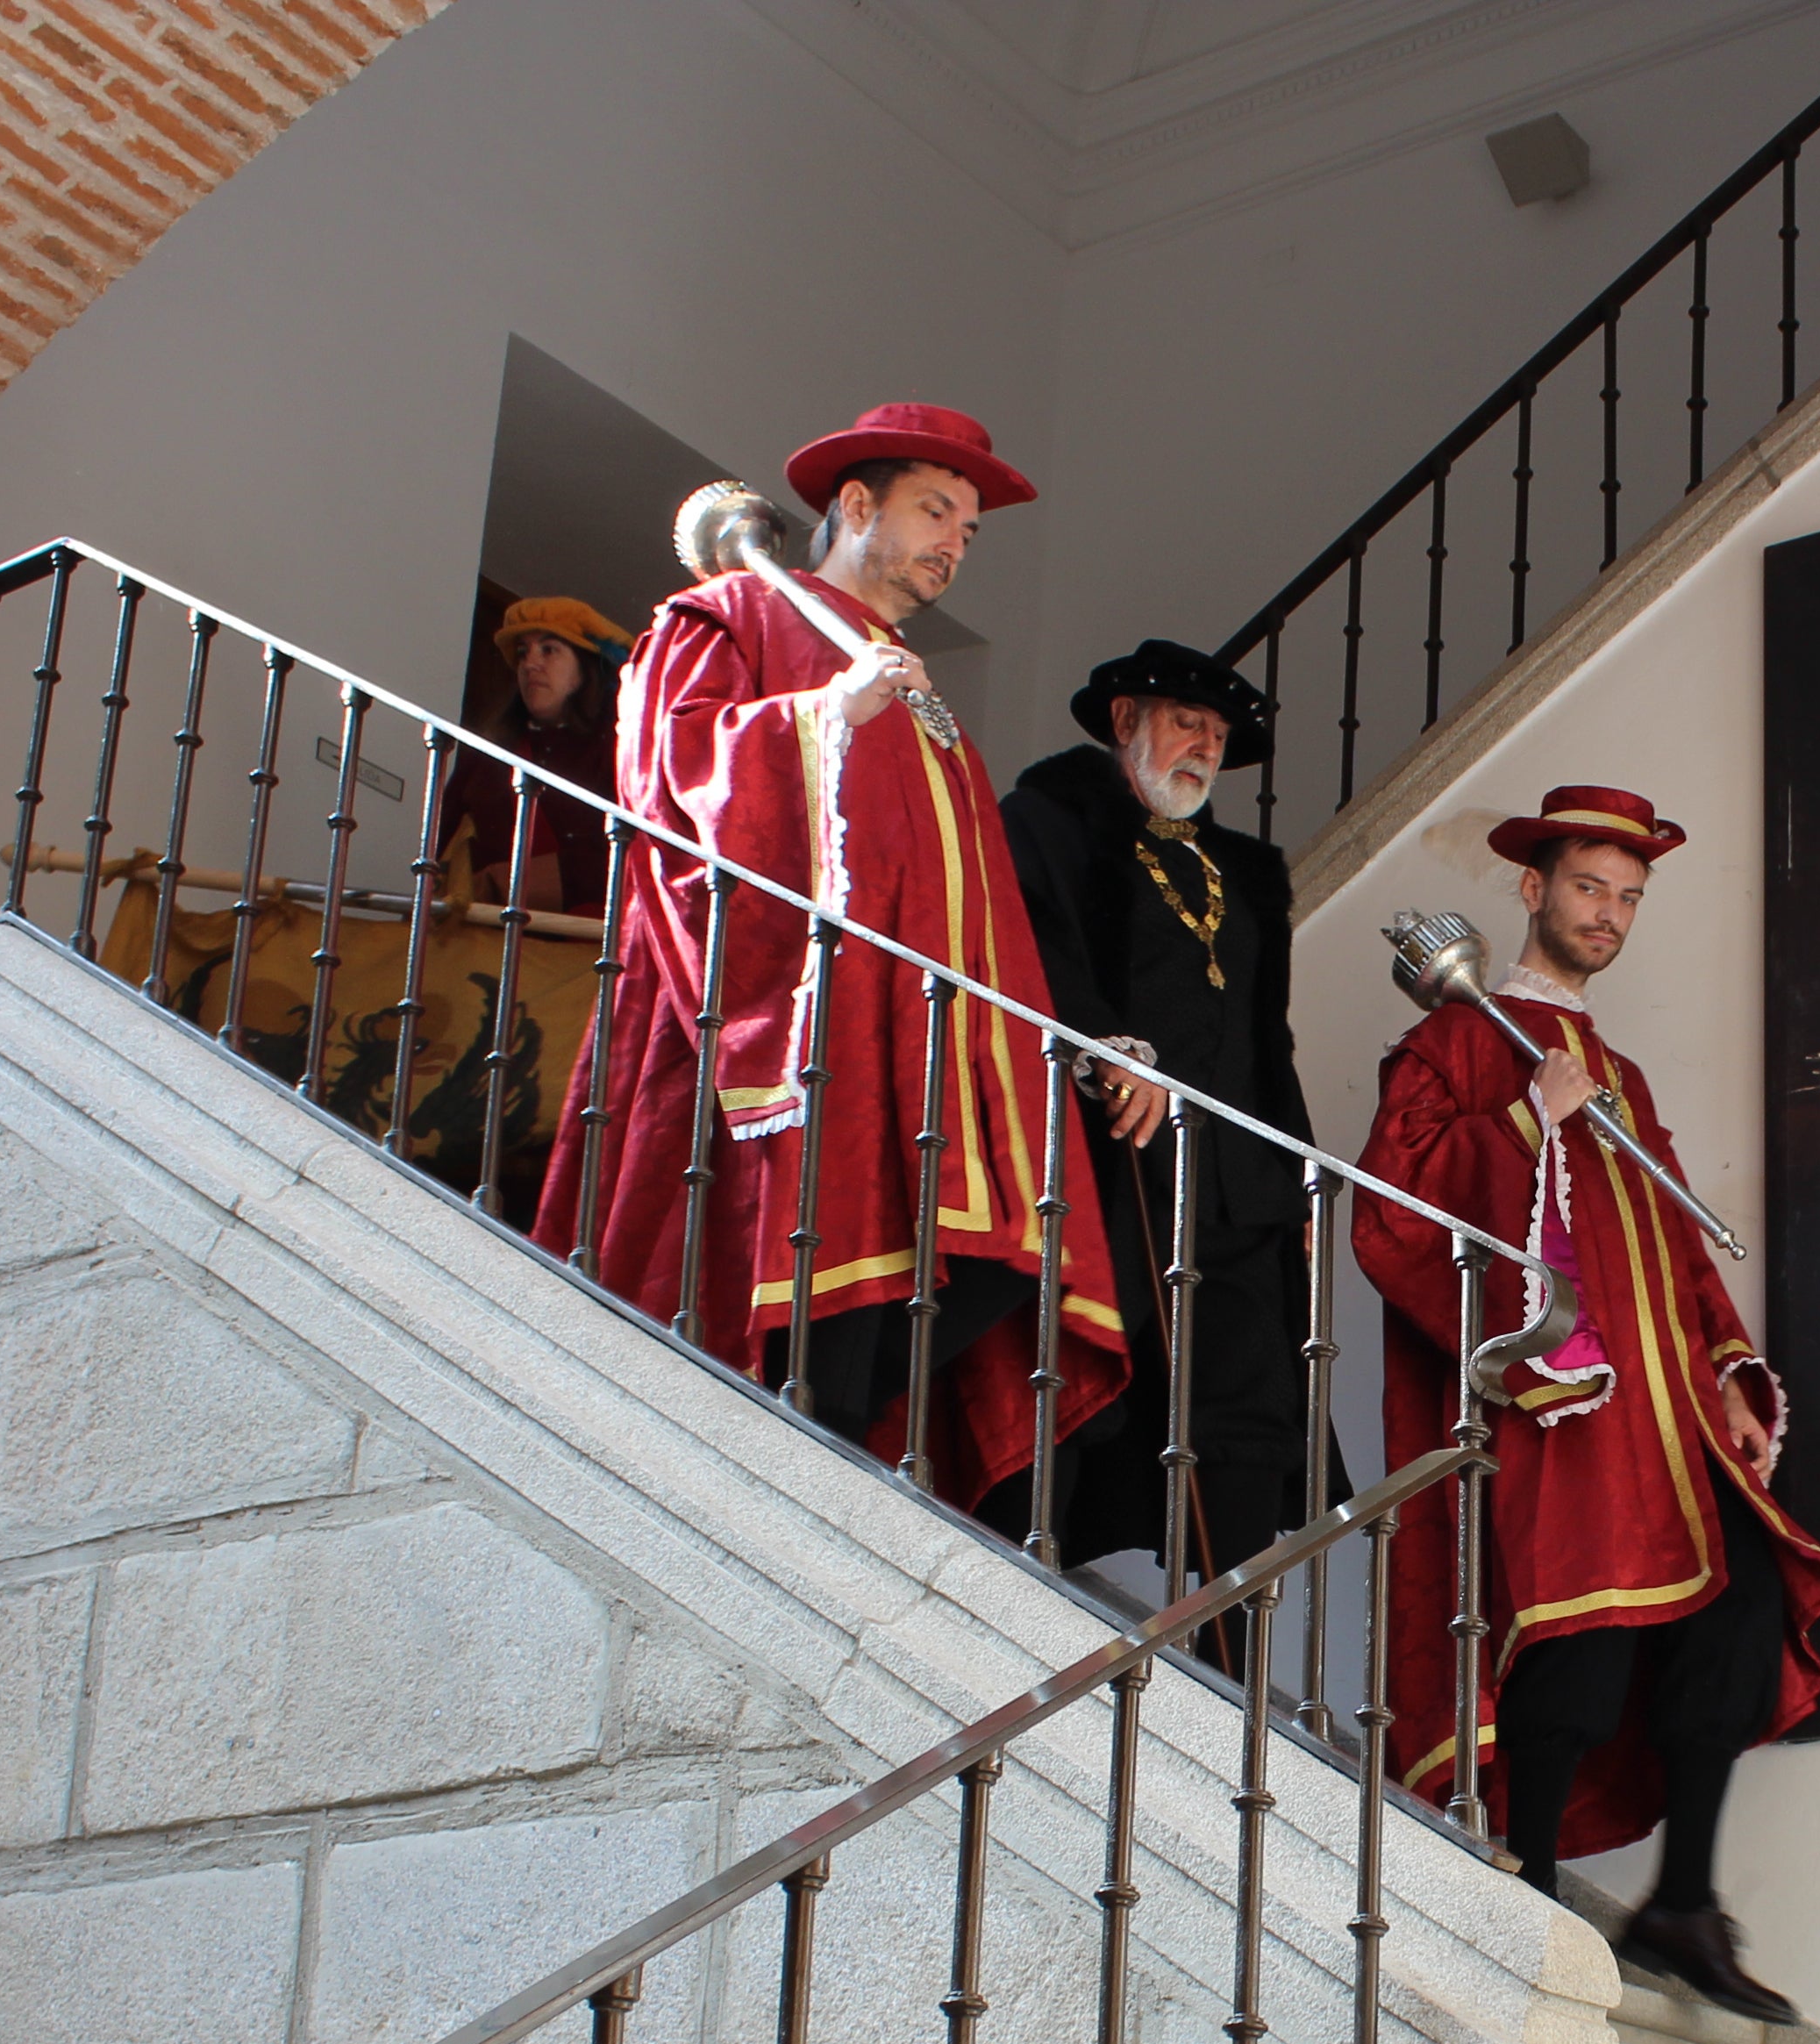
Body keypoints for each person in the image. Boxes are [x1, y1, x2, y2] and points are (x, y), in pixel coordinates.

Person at [535, 403, 1123, 1509]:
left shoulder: (902, 670)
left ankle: (824, 1476)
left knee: (982, 1274)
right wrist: (819, 719)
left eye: (970, 526)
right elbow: (672, 779)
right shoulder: (728, 617)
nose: (956, 539)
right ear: (856, 506)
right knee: (813, 1336)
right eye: (936, 509)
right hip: (799, 1042)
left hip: (928, 1062)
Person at [1353, 786, 1820, 2025]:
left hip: (1669, 1409)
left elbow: (1673, 1242)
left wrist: (1730, 1370)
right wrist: (1526, 1120)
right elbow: (1392, 1209)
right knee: (1582, 1633)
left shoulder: (1613, 1068)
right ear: (1533, 890)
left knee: (1731, 1619)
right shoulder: (1457, 1046)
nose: (1610, 914)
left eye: (1629, 897)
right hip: (1559, 1405)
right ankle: (1524, 1885)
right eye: (1590, 888)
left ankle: (1683, 1901)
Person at [1001, 640, 1317, 1587]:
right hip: (1113, 1157)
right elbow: (1029, 947)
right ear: (1124, 721)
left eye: (1218, 736)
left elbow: (1270, 1037)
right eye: (1186, 723)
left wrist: (1296, 1176)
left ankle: (1231, 1664)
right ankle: (1027, 1589)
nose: (1203, 749)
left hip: (1239, 1186)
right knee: (1081, 1379)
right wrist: (1106, 1046)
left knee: (1248, 1417)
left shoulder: (1247, 871)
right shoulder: (1053, 820)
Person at [439, 595, 626, 913]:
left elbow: (634, 858)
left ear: (586, 667)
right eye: (523, 653)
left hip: (585, 948)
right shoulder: (486, 755)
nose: (529, 663)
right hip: (486, 941)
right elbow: (439, 847)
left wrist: (511, 883)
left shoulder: (624, 750)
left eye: (549, 650)